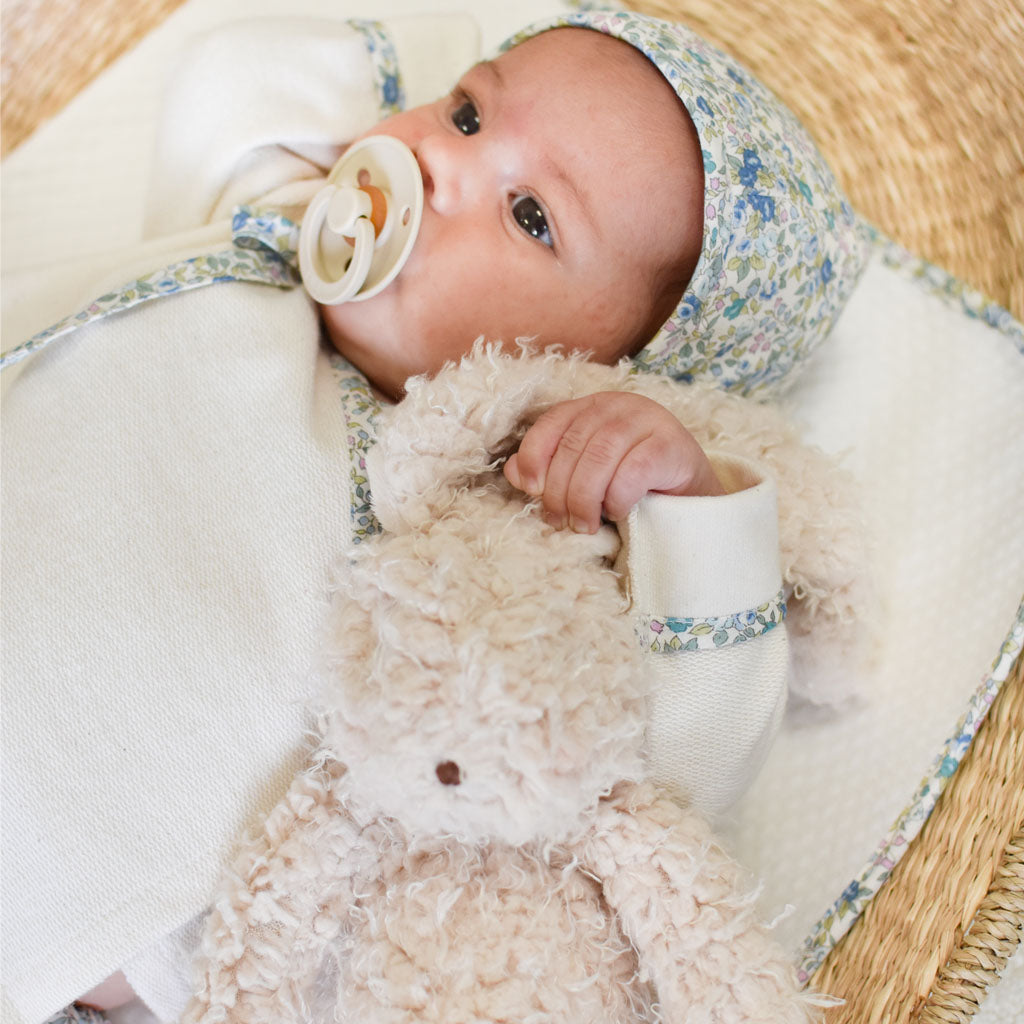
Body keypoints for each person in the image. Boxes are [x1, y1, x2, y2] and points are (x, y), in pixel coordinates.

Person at [0, 9, 866, 1022]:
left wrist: (684, 507)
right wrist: (361, 160)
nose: (438, 169)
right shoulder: (261, 233)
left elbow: (674, 750)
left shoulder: (508, 515)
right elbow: (232, 77)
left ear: (604, 367)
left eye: (531, 215)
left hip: (99, 860)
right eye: (464, 112)